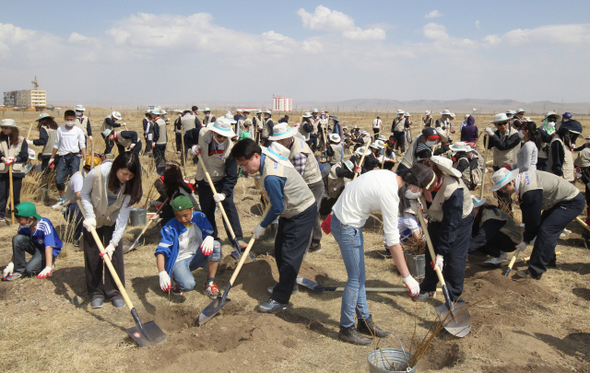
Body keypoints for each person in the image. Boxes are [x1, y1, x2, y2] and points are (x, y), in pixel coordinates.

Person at [329, 164, 432, 344]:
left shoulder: (388, 176)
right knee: (355, 279)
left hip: (347, 220)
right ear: (414, 185)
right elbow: (392, 241)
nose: (421, 193)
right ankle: (346, 328)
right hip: (346, 225)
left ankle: (364, 322)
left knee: (359, 277)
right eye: (422, 189)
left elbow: (354, 188)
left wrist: (334, 212)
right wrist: (407, 276)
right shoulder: (390, 194)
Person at [231, 140, 317, 313]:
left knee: (290, 255)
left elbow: (277, 207)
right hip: (289, 210)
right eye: (240, 166)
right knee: (279, 250)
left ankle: (280, 299)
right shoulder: (262, 153)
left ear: (256, 156)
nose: (244, 170)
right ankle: (289, 284)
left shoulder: (271, 176)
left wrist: (262, 225)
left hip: (301, 211)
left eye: (245, 165)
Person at [490, 167, 585, 279]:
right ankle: (548, 259)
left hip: (571, 202)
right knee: (544, 228)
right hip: (558, 202)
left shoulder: (530, 191)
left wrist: (526, 239)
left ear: (512, 181)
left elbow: (533, 219)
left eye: (504, 188)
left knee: (546, 230)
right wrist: (527, 238)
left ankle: (534, 271)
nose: (504, 192)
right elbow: (529, 214)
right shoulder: (523, 182)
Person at [81, 152, 143, 309]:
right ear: (116, 167)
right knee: (93, 254)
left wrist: (114, 243)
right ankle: (96, 292)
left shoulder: (130, 184)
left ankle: (115, 292)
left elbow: (123, 217)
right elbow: (84, 194)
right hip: (92, 219)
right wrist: (89, 216)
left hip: (112, 220)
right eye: (124, 173)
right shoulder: (97, 173)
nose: (126, 178)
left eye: (130, 175)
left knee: (114, 255)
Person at [415, 156, 474, 302]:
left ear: (439, 175)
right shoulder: (419, 179)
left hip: (459, 220)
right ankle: (428, 288)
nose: (426, 187)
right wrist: (409, 199)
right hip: (436, 218)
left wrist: (441, 254)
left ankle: (453, 297)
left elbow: (450, 226)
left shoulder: (453, 190)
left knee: (454, 259)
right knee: (431, 253)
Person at [192, 117, 247, 250]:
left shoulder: (230, 149)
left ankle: (237, 238)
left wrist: (224, 193)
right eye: (219, 136)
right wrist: (193, 148)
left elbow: (232, 175)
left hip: (221, 181)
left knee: (228, 207)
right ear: (212, 132)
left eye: (225, 136)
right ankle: (212, 238)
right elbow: (189, 135)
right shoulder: (202, 133)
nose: (222, 139)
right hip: (204, 179)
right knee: (207, 210)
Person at [269, 123, 325, 252]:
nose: (279, 142)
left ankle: (306, 246)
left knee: (308, 214)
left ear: (289, 137)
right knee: (313, 213)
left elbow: (296, 179)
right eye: (277, 140)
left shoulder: (298, 152)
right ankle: (315, 243)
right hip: (305, 181)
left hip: (312, 184)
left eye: (281, 139)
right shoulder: (286, 145)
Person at [154, 195, 221, 298]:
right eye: (178, 216)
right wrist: (162, 272)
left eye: (185, 215)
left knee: (215, 245)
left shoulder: (200, 217)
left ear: (192, 209)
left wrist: (209, 237)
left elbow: (207, 232)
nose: (182, 219)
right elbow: (161, 252)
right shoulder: (170, 227)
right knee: (188, 285)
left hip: (195, 255)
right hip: (178, 261)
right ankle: (177, 280)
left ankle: (210, 284)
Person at [2, 202, 63, 281]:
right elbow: (18, 244)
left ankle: (50, 261)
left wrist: (48, 266)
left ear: (30, 218)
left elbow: (49, 246)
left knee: (30, 270)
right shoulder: (24, 226)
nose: (18, 221)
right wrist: (12, 263)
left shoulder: (44, 224)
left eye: (20, 219)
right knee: (17, 238)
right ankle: (19, 270)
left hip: (49, 250)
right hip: (36, 246)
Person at [49, 110, 87, 209]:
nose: (69, 121)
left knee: (75, 179)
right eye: (67, 119)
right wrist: (52, 158)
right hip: (63, 157)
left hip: (75, 157)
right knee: (58, 179)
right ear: (64, 119)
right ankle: (62, 199)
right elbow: (56, 144)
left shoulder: (78, 131)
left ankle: (73, 201)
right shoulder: (60, 129)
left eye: (71, 119)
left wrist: (85, 158)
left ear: (74, 119)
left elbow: (82, 145)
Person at [61, 155, 102, 246]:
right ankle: (78, 236)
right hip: (72, 208)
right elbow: (79, 195)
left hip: (88, 205)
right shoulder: (79, 177)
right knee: (80, 208)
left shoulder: (95, 177)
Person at [469, 196, 521, 266]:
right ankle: (498, 252)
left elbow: (482, 237)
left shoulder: (491, 216)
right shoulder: (479, 213)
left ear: (477, 207)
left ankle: (497, 256)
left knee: (483, 236)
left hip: (512, 241)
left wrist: (464, 250)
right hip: (499, 235)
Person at [484, 113, 520, 213]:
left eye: (505, 123)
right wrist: (486, 136)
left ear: (508, 122)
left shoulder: (515, 135)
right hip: (498, 168)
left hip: (509, 169)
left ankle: (508, 215)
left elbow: (504, 146)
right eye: (500, 124)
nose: (503, 126)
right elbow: (487, 146)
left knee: (506, 195)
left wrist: (492, 135)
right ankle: (503, 213)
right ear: (496, 125)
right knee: (499, 195)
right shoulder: (496, 134)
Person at [0, 119, 29, 223]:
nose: (3, 129)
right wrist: (3, 158)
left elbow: (25, 155)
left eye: (6, 127)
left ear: (12, 128)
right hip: (3, 171)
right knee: (2, 194)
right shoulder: (0, 139)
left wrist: (15, 159)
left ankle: (15, 214)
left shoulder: (21, 140)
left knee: (15, 194)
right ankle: (1, 214)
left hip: (16, 171)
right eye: (2, 127)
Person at [549, 116, 582, 182]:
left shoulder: (564, 141)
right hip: (562, 180)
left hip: (567, 178)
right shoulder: (557, 142)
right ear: (567, 132)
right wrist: (560, 177)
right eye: (574, 135)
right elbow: (556, 164)